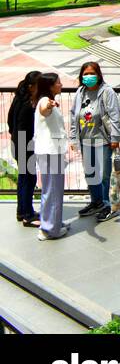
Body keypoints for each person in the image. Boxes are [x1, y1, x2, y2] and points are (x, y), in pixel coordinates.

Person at [71, 62, 120, 222]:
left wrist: (115, 138)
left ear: (98, 74)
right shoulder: (80, 92)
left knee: (104, 174)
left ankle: (108, 205)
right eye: (85, 74)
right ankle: (96, 201)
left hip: (103, 140)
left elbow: (114, 115)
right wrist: (74, 137)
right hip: (85, 140)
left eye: (92, 73)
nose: (88, 77)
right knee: (90, 174)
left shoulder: (107, 91)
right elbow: (73, 115)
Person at [33, 73, 70, 241]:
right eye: (58, 83)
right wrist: (49, 105)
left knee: (53, 189)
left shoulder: (47, 100)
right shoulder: (44, 101)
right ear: (50, 86)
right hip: (50, 153)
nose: (61, 85)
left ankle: (52, 223)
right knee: (52, 190)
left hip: (51, 151)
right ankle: (50, 229)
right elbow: (44, 109)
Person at [6, 71, 41, 226]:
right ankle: (27, 214)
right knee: (29, 179)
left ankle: (22, 211)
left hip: (17, 143)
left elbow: (9, 119)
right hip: (23, 145)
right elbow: (21, 127)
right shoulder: (29, 105)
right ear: (31, 86)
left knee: (23, 178)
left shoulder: (20, 98)